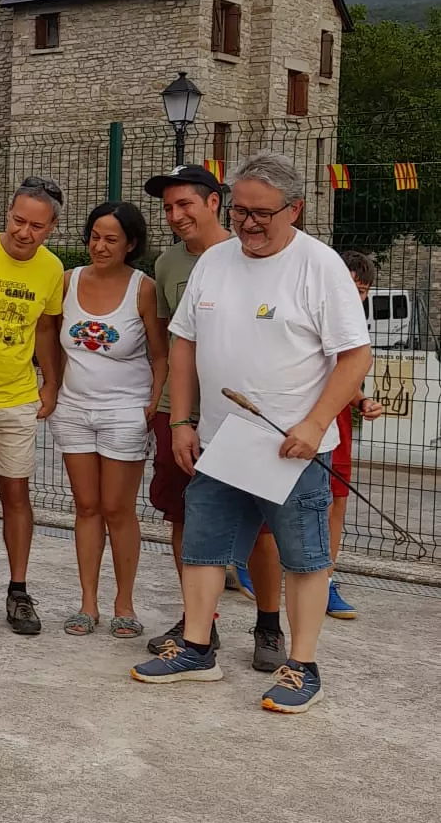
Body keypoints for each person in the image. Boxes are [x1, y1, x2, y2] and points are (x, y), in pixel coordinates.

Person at [131, 150, 371, 714]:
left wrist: (315, 424)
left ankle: (302, 665)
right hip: (219, 441)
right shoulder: (215, 262)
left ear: (295, 209)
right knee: (203, 547)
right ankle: (196, 649)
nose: (249, 224)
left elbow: (355, 356)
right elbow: (184, 343)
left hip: (292, 447)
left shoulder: (321, 266)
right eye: (241, 211)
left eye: (262, 213)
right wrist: (184, 421)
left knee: (305, 559)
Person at [145, 164, 285, 669]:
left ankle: (269, 624)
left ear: (213, 203)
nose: (176, 215)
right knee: (184, 516)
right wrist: (168, 409)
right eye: (167, 207)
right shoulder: (166, 265)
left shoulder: (258, 254)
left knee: (262, 526)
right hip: (183, 414)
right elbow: (168, 342)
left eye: (185, 204)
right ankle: (197, 622)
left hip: (247, 417)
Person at [51, 202, 167, 637]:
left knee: (118, 509)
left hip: (125, 410)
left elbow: (160, 353)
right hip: (75, 409)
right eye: (95, 236)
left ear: (131, 244)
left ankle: (124, 603)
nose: (100, 246)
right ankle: (87, 603)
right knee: (85, 507)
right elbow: (53, 340)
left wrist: (154, 401)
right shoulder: (67, 281)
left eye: (111, 239)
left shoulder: (144, 289)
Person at [0, 178, 66, 636]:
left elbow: (44, 328)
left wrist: (51, 382)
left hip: (19, 397)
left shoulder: (52, 269)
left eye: (36, 226)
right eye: (18, 220)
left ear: (52, 228)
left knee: (16, 496)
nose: (25, 233)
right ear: (7, 213)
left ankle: (18, 590)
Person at [327, 250, 385, 620]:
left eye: (363, 291)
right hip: (297, 420)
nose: (357, 296)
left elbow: (347, 375)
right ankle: (248, 565)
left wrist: (362, 399)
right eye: (352, 287)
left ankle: (326, 580)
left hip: (338, 425)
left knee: (337, 503)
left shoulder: (356, 327)